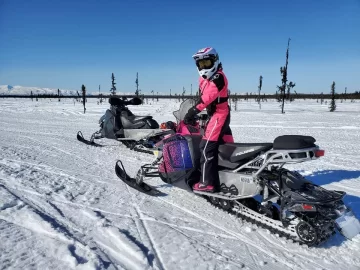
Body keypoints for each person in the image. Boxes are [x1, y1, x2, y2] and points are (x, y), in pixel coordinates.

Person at [184, 47, 234, 192]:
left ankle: (207, 183)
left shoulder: (218, 77)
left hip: (220, 115)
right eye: (201, 64)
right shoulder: (206, 78)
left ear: (215, 61)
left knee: (206, 147)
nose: (204, 67)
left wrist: (194, 110)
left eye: (207, 63)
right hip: (215, 114)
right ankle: (223, 172)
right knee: (223, 146)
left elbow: (208, 97)